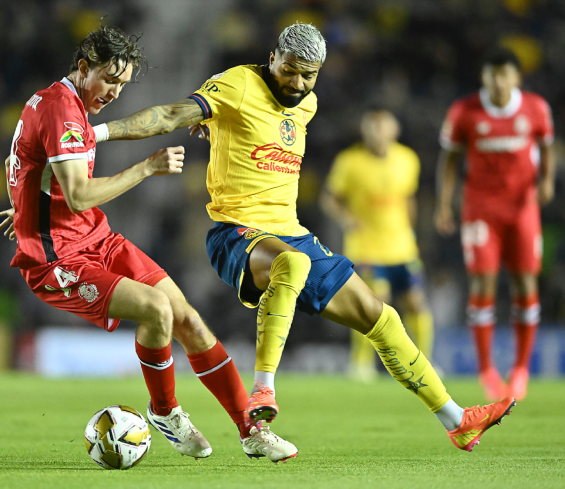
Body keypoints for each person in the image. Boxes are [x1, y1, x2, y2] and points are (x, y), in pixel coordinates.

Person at [93, 23, 515, 452]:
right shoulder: (237, 84)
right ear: (273, 57)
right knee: (290, 263)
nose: (296, 83)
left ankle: (456, 419)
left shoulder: (307, 104)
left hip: (293, 233)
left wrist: (218, 128)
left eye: (307, 75)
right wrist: (97, 134)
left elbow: (251, 132)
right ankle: (263, 390)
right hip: (237, 233)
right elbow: (168, 115)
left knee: (379, 316)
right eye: (290, 71)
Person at [0, 26, 297, 463]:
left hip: (95, 237)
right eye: (109, 80)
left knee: (189, 320)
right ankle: (166, 412)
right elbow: (78, 195)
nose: (115, 92)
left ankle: (251, 430)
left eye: (123, 83)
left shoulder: (61, 102)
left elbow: (17, 160)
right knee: (156, 309)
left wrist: (23, 204)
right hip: (57, 258)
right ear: (83, 69)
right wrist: (146, 169)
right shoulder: (63, 111)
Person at [435, 48, 556, 401]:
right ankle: (487, 369)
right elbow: (450, 159)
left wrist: (547, 181)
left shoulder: (536, 107)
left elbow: (547, 146)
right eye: (492, 74)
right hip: (481, 209)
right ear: (484, 78)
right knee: (483, 283)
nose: (499, 81)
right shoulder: (465, 111)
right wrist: (444, 203)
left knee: (524, 284)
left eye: (505, 74)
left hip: (522, 209)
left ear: (517, 77)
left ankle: (520, 369)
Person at [320, 109, 434, 381]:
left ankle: (424, 362)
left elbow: (408, 198)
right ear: (365, 132)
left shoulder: (408, 159)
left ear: (394, 131)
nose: (379, 134)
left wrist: (412, 231)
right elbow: (331, 198)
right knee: (377, 303)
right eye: (373, 129)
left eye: (384, 128)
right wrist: (347, 219)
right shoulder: (349, 162)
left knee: (417, 303)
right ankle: (361, 364)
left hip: (403, 246)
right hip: (367, 247)